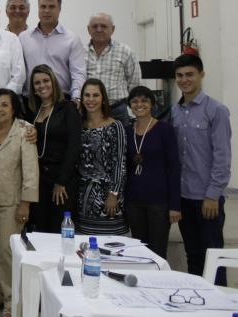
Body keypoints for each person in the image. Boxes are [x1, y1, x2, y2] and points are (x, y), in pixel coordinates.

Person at [171, 54, 232, 285]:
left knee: (213, 258)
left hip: (207, 198)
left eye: (190, 74)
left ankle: (220, 302)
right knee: (193, 255)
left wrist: (213, 195)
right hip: (184, 197)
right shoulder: (175, 112)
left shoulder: (216, 110)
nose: (184, 80)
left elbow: (222, 156)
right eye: (179, 76)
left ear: (201, 75)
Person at [0, 89, 38, 317]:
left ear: (14, 108)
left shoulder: (24, 131)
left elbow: (31, 170)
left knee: (6, 251)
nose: (0, 109)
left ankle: (11, 299)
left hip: (12, 201)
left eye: (5, 105)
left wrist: (26, 203)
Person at [124, 86, 180, 259]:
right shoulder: (127, 131)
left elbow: (174, 167)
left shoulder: (164, 130)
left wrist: (175, 205)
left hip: (159, 203)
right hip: (134, 201)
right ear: (130, 106)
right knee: (140, 252)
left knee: (157, 252)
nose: (139, 104)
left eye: (144, 101)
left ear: (152, 104)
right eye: (134, 101)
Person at [26, 64, 82, 233]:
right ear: (33, 88)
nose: (42, 85)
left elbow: (74, 147)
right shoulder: (32, 111)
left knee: (59, 230)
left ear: (53, 82)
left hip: (61, 180)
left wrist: (61, 181)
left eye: (46, 81)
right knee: (40, 229)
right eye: (37, 83)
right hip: (39, 179)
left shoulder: (68, 108)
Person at [76, 78, 127, 235]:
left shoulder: (115, 126)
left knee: (110, 246)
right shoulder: (77, 125)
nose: (91, 99)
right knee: (84, 245)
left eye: (95, 95)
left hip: (108, 198)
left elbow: (120, 162)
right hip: (83, 198)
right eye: (87, 95)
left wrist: (114, 194)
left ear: (103, 98)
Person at [19, 0, 85, 102]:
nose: (46, 11)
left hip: (61, 99)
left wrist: (76, 97)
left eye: (51, 7)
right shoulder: (24, 37)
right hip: (31, 101)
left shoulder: (72, 39)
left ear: (59, 9)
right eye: (43, 6)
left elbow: (78, 73)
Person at [85, 13, 141, 124]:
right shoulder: (79, 52)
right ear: (88, 29)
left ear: (113, 29)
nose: (99, 29)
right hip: (88, 112)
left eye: (104, 26)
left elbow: (134, 84)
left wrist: (137, 111)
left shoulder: (125, 51)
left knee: (121, 136)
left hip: (117, 111)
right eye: (95, 26)